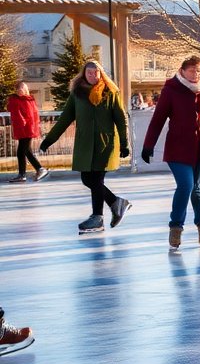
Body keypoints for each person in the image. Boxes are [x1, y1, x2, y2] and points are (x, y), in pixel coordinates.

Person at [141, 55, 200, 250]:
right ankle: (176, 227)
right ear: (182, 71)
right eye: (191, 70)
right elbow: (158, 119)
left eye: (198, 70)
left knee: (196, 188)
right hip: (178, 149)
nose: (195, 74)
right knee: (186, 185)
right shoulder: (171, 90)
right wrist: (148, 145)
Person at [40, 60, 132, 234]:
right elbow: (65, 119)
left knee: (95, 179)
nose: (93, 76)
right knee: (88, 179)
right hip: (85, 144)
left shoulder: (110, 93)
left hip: (105, 144)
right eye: (89, 73)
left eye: (96, 72)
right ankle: (115, 203)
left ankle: (98, 218)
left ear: (101, 74)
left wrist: (125, 143)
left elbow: (121, 119)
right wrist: (48, 140)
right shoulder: (77, 94)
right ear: (84, 74)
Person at [6, 82, 48, 182]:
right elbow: (11, 109)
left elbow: (31, 115)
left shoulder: (28, 100)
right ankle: (38, 169)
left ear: (25, 89)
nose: (19, 90)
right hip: (22, 129)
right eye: (17, 88)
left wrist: (25, 124)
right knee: (26, 151)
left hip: (28, 129)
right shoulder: (16, 99)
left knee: (21, 152)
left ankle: (24, 174)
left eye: (21, 88)